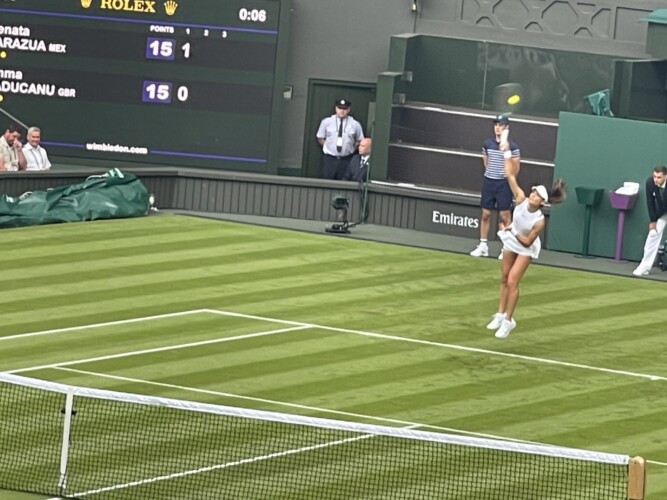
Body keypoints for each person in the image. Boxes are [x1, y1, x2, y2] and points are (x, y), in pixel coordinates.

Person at [486, 131, 565, 339]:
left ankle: (509, 321)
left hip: (526, 247)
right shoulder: (521, 198)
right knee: (504, 277)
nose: (533, 195)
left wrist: (511, 230)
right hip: (512, 240)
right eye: (534, 192)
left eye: (538, 195)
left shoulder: (539, 221)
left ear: (542, 202)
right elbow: (510, 175)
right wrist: (506, 152)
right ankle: (500, 314)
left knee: (513, 280)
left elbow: (528, 241)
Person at [470, 114, 520, 258]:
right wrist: (492, 174)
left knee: (505, 216)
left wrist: (506, 177)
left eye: (500, 125)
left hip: (504, 185)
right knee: (485, 214)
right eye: (496, 125)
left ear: (506, 128)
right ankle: (483, 246)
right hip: (489, 183)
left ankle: (506, 249)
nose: (497, 128)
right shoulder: (487, 144)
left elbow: (516, 168)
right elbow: (486, 162)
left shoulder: (513, 146)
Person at [632, 165, 667, 277]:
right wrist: (653, 221)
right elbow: (650, 201)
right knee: (653, 234)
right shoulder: (650, 183)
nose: (656, 179)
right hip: (661, 212)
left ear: (665, 176)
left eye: (659, 177)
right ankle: (644, 267)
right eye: (654, 176)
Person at [316, 98, 364, 180]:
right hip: (330, 159)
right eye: (339, 108)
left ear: (348, 109)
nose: (342, 111)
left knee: (344, 182)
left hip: (346, 160)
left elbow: (359, 140)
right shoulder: (326, 122)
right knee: (327, 182)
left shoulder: (355, 124)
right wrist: (328, 146)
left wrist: (351, 148)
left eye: (344, 109)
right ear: (336, 108)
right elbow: (320, 138)